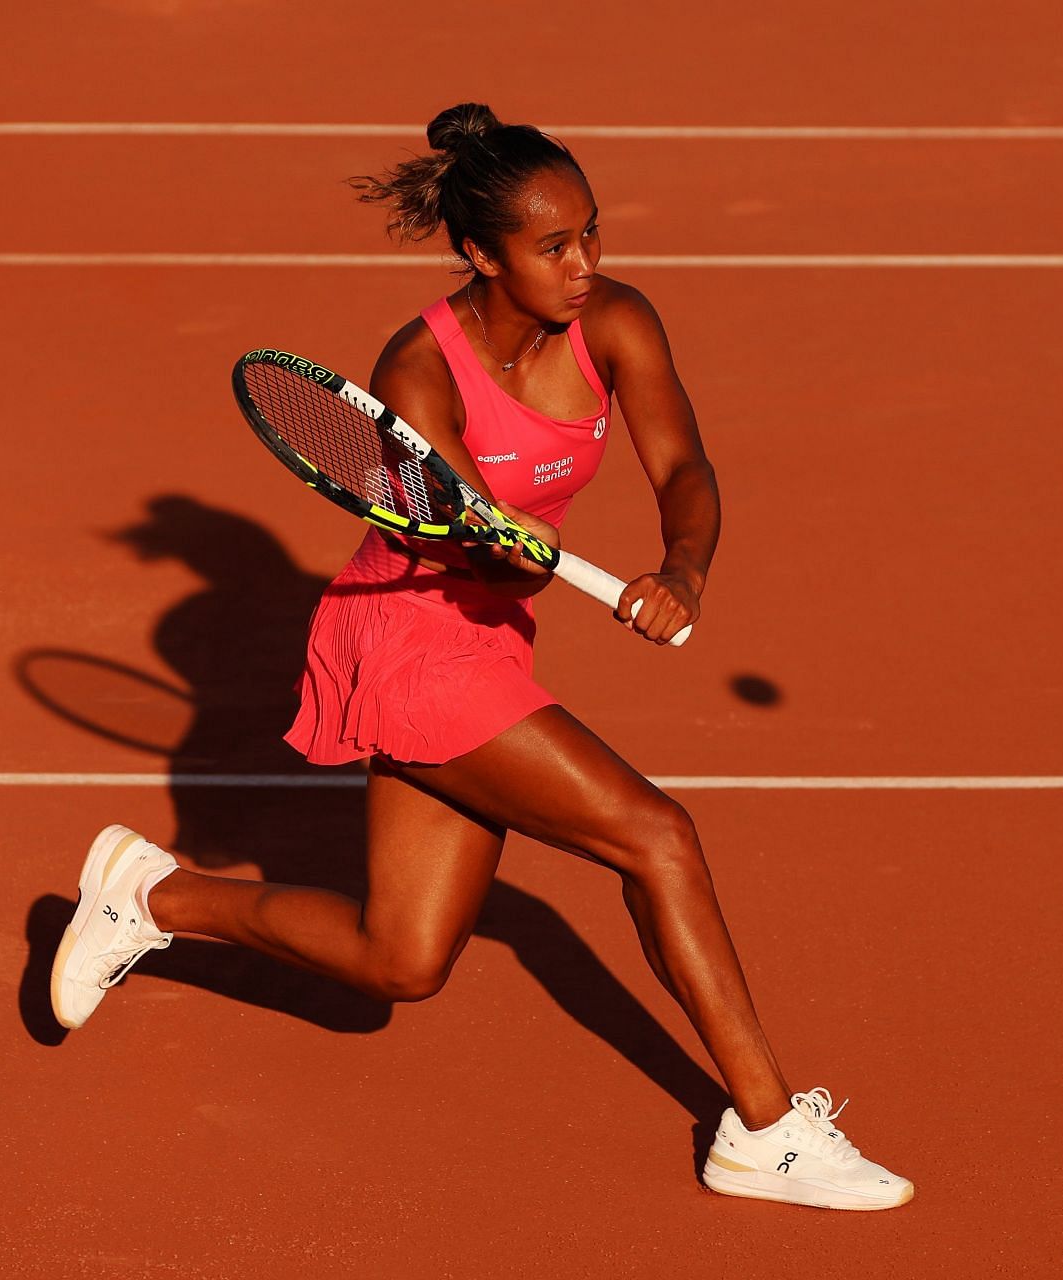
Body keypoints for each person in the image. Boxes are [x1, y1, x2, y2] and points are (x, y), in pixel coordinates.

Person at [49, 103, 911, 1211]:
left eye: (593, 233)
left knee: (398, 963)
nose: (586, 264)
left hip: (484, 637)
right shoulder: (417, 374)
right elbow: (472, 556)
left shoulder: (618, 323)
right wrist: (516, 556)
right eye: (556, 248)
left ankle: (151, 897)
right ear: (481, 254)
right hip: (407, 635)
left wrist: (681, 569)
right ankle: (765, 1127)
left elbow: (684, 466)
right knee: (657, 836)